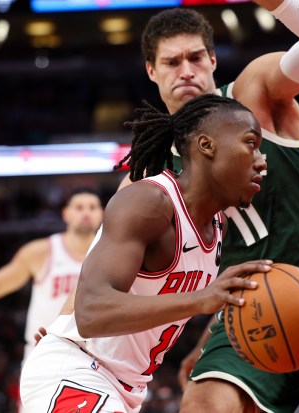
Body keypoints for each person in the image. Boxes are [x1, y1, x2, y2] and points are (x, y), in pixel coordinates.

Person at [135, 3, 299, 413]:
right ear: (151, 70)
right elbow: (109, 265)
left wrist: (281, 3)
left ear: (212, 61)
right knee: (202, 406)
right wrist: (68, 333)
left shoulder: (252, 93)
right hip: (247, 315)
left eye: (195, 57)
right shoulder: (150, 172)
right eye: (171, 62)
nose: (185, 70)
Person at [19, 94, 272, 413]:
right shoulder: (150, 203)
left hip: (126, 388)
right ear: (206, 145)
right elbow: (91, 312)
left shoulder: (217, 224)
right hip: (79, 370)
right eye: (251, 143)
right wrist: (202, 299)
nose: (262, 159)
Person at [0, 188, 104, 361]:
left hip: (95, 355)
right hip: (46, 353)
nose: (86, 212)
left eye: (92, 207)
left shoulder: (112, 255)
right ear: (66, 214)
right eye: (79, 207)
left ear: (101, 213)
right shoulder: (40, 251)